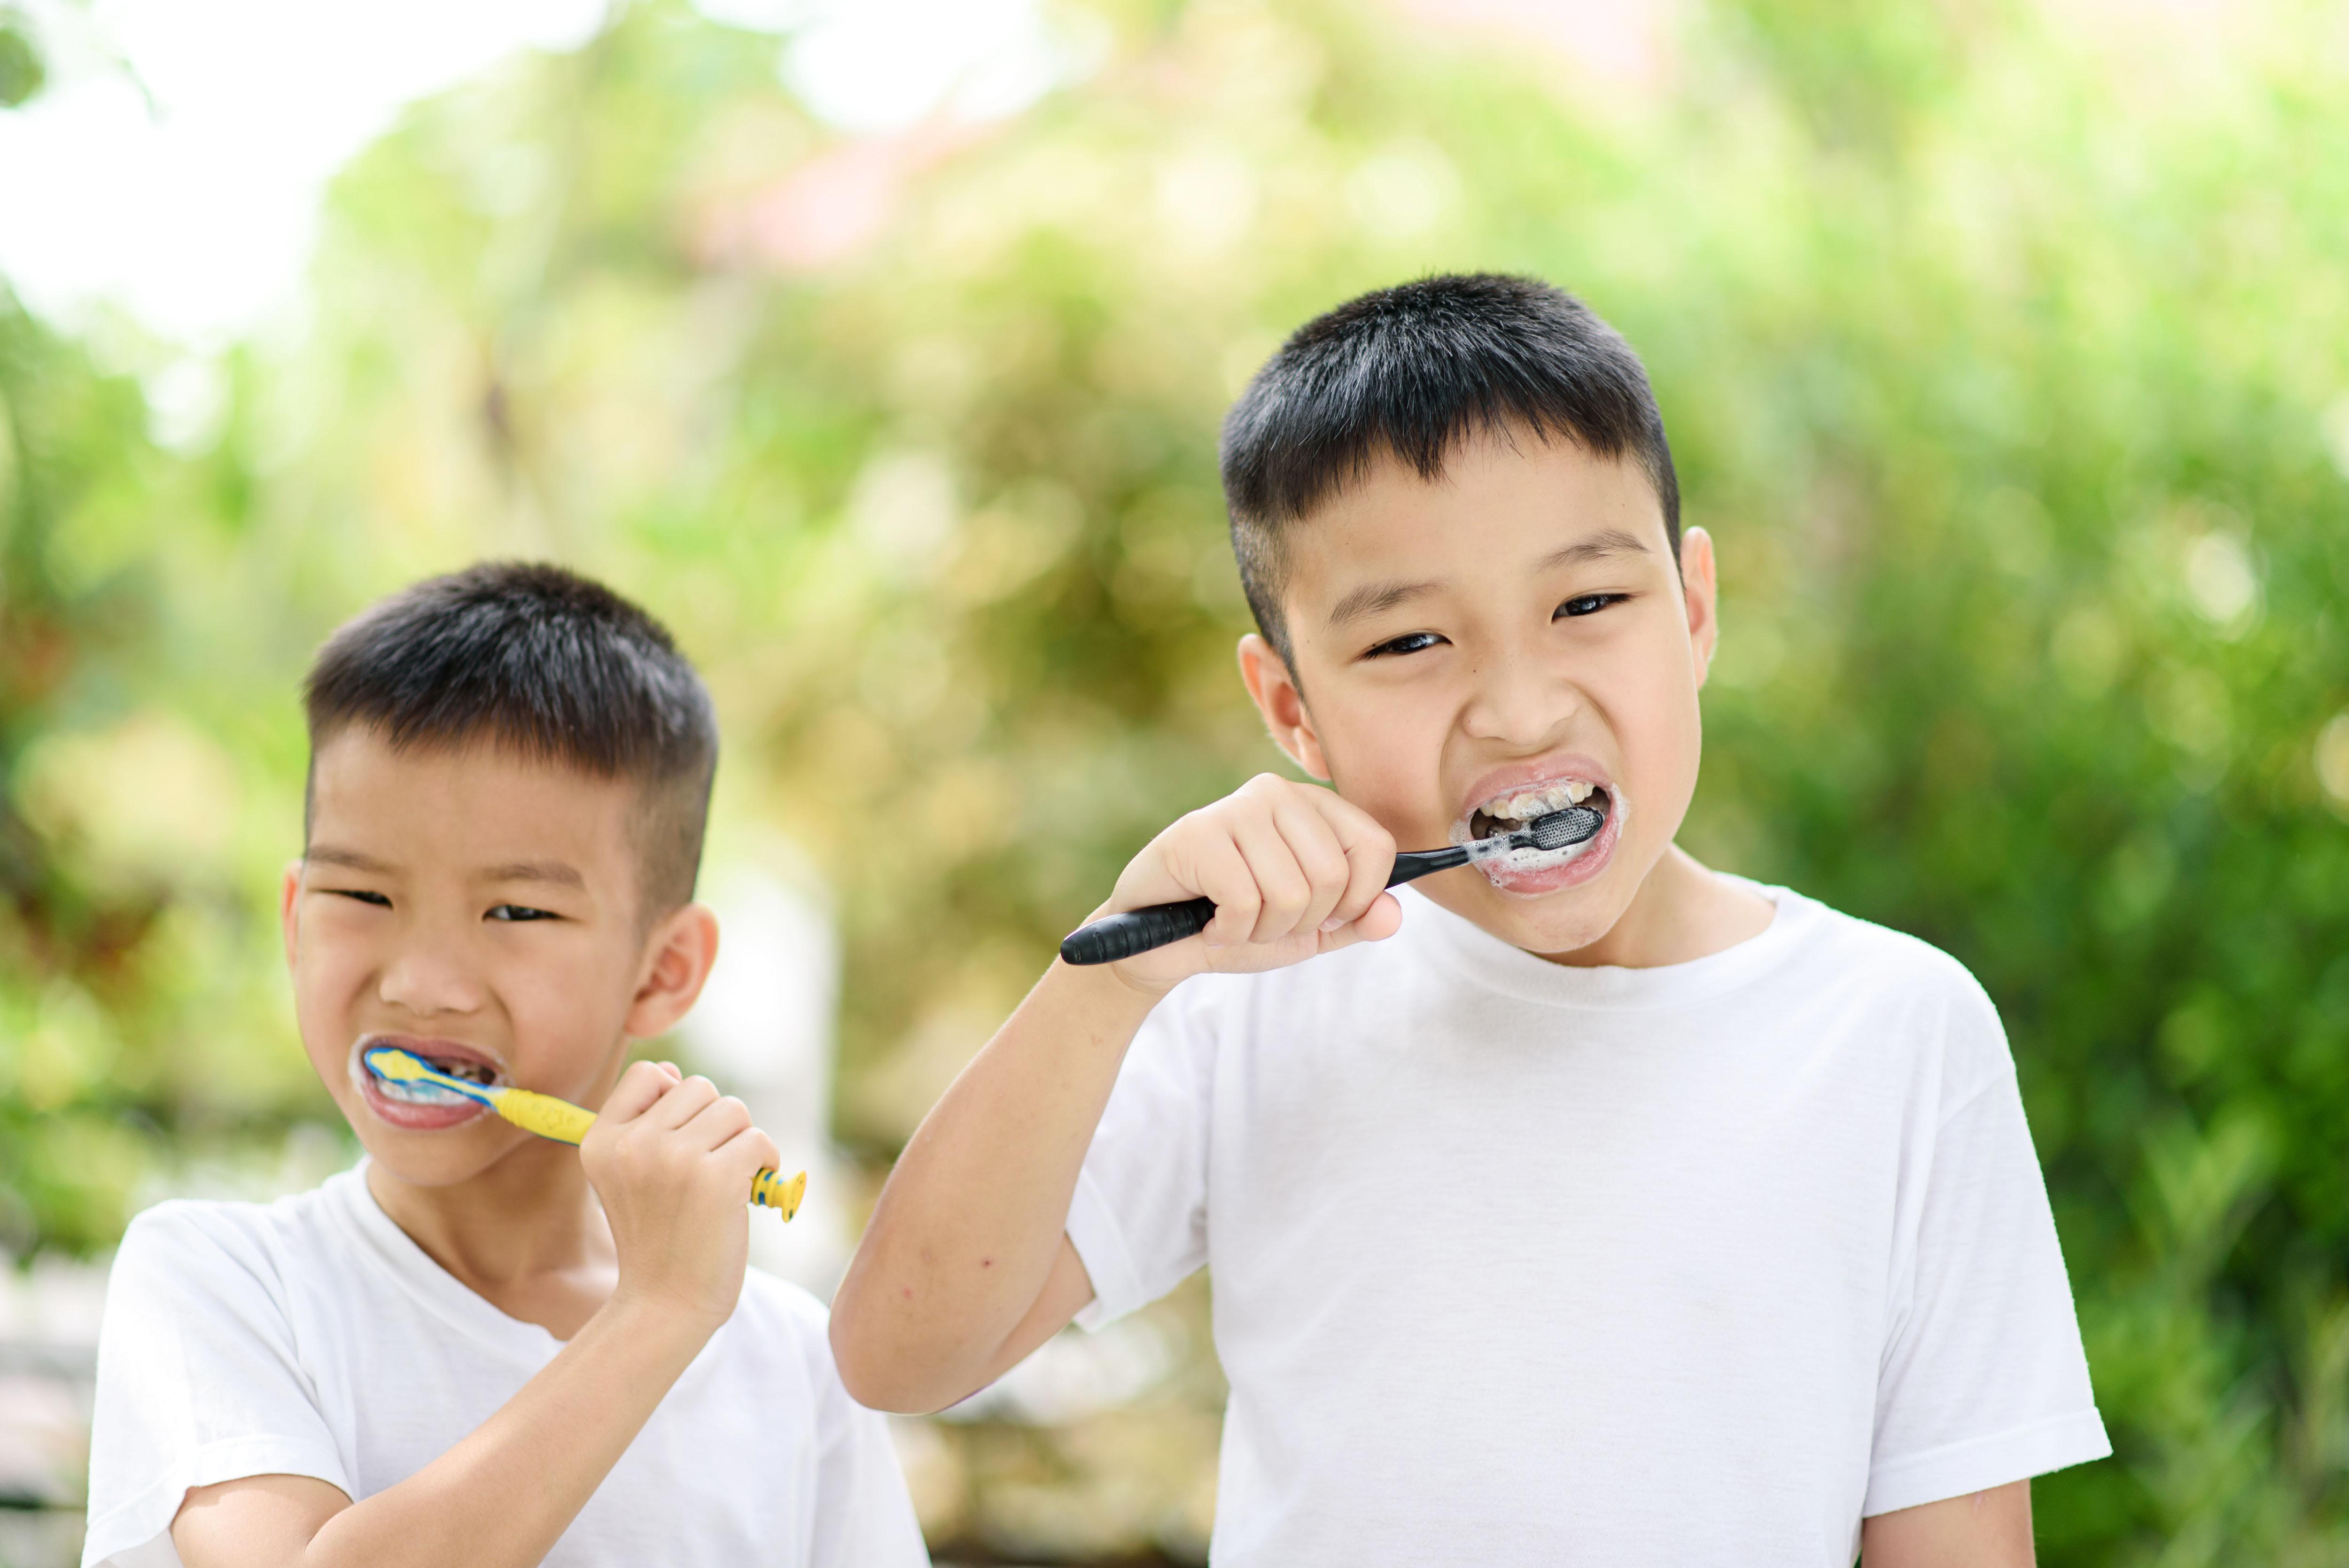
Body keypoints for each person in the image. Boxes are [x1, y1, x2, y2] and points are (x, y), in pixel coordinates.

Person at [830, 274, 2108, 1565]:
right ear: (1290, 709)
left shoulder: (1894, 1031)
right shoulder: (1247, 996)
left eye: (1588, 605)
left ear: (1697, 606)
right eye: (1409, 644)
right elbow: (899, 1350)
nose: (1518, 707)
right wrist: (1102, 983)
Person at [81, 563, 927, 1568]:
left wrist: (673, 1302)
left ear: (662, 971)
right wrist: (654, 1315)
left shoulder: (793, 1366)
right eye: (362, 897)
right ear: (296, 922)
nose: (426, 983)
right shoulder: (220, 1282)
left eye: (517, 912)